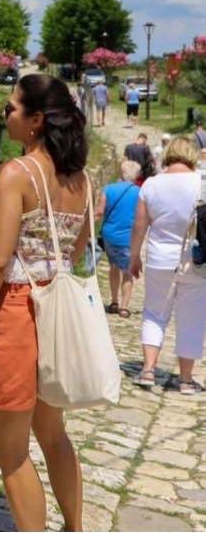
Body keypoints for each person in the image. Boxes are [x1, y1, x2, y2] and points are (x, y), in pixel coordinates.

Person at [0, 73, 89, 531]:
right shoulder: (82, 181)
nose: (4, 113)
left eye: (11, 107)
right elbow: (74, 253)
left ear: (35, 121)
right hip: (56, 311)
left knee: (12, 453)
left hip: (16, 311)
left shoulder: (16, 173)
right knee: (54, 435)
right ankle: (74, 526)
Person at [129, 135, 206, 395]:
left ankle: (148, 370)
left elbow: (140, 225)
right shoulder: (202, 183)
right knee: (191, 318)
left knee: (154, 313)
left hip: (160, 258)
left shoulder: (151, 184)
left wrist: (134, 256)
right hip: (194, 261)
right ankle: (185, 380)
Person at [96, 160, 141, 318]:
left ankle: (114, 301)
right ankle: (124, 307)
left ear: (121, 173)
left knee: (113, 267)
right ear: (137, 175)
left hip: (109, 235)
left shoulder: (108, 189)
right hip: (128, 238)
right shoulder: (140, 192)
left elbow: (99, 212)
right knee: (127, 272)